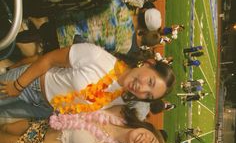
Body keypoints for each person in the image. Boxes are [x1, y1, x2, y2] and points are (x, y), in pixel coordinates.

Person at [0, 43, 176, 118]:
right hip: (31, 83)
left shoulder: (122, 99)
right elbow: (48, 59)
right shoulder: (97, 56)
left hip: (43, 110)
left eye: (148, 95)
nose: (142, 89)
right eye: (150, 82)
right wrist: (18, 85)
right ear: (148, 63)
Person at [0, 106, 167, 143]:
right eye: (151, 139)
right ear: (149, 129)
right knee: (6, 128)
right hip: (43, 123)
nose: (143, 142)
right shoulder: (121, 110)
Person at [17, 0, 162, 56]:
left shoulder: (117, 4)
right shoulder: (125, 45)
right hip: (69, 47)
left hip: (64, 24)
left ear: (143, 10)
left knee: (31, 36)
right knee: (37, 52)